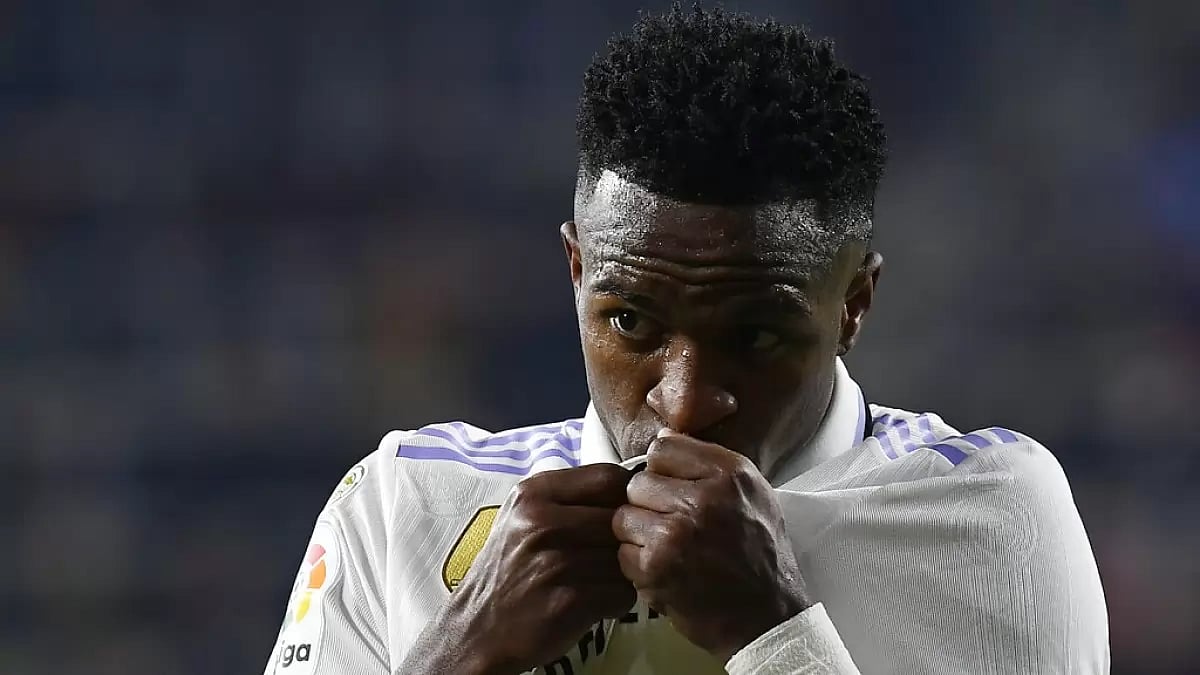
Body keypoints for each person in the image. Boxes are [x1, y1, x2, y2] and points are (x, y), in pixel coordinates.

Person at [263, 4, 1109, 674]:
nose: (687, 401)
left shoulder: (990, 517)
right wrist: (466, 653)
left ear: (854, 303)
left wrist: (773, 631)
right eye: (631, 321)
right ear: (576, 270)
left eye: (756, 335)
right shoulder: (403, 505)